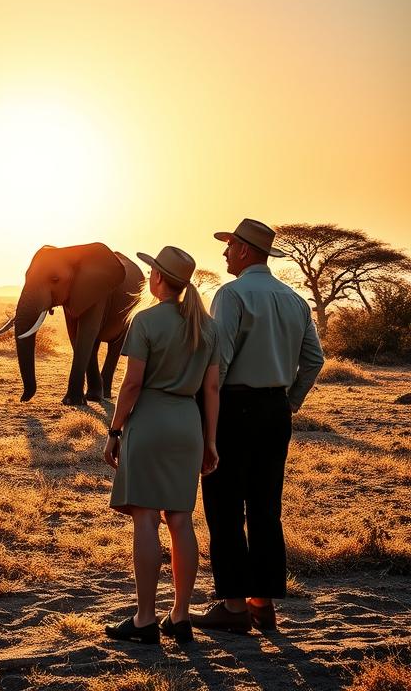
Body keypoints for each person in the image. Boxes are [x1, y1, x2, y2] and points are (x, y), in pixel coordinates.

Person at [192, 218, 324, 634]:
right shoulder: (294, 299)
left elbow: (220, 362)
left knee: (224, 505)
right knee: (266, 507)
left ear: (246, 250)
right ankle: (262, 605)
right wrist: (289, 402)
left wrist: (206, 425)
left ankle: (232, 605)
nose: (225, 253)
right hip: (274, 411)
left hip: (234, 407)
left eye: (230, 246)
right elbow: (315, 359)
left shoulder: (231, 295)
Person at [103, 246, 220, 645]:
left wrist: (115, 430)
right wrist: (210, 441)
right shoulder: (206, 326)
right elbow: (212, 388)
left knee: (146, 520)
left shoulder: (145, 321)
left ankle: (144, 619)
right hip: (189, 424)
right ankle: (181, 616)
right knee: (182, 521)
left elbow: (132, 383)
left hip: (150, 422)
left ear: (156, 279)